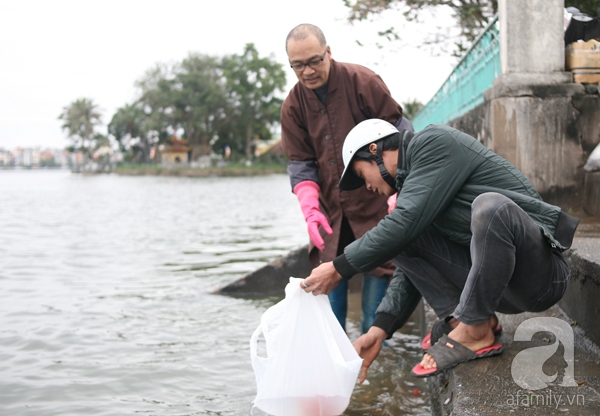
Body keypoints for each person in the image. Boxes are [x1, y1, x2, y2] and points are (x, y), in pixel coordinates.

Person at [300, 119, 579, 379]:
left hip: (542, 276)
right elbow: (405, 246)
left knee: (490, 208)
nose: (368, 187)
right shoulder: (416, 190)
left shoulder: (435, 143)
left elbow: (404, 223)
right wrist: (380, 328)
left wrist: (338, 268)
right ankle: (464, 320)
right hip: (500, 287)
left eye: (363, 175)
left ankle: (475, 327)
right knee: (395, 235)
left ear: (375, 150)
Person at [280, 23, 415, 333]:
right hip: (331, 213)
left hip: (378, 204)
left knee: (375, 310)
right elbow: (300, 161)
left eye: (314, 60)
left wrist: (401, 188)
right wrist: (309, 207)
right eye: (298, 65)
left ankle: (373, 368)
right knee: (328, 309)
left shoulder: (362, 81)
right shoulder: (292, 106)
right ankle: (341, 374)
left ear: (328, 52)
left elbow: (400, 132)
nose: (308, 71)